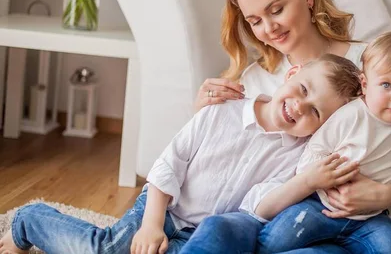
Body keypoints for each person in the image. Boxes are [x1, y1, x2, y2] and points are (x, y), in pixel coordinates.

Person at [0, 54, 362, 254]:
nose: (299, 107)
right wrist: (151, 226)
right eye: (301, 89)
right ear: (292, 73)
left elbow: (257, 209)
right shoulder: (222, 110)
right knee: (107, 250)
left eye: (316, 112)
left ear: (323, 128)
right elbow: (168, 165)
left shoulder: (298, 156)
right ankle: (29, 221)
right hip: (163, 208)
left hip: (199, 236)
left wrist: (305, 181)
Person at [193, 0, 391, 224]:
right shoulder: (255, 80)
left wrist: (384, 195)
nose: (269, 28)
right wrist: (201, 112)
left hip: (357, 220)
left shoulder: (369, 64)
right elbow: (221, 158)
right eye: (255, 21)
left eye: (276, 10)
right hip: (285, 220)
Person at [254, 31, 391, 253]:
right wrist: (326, 177)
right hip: (321, 205)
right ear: (364, 85)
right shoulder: (350, 116)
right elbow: (316, 151)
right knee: (276, 240)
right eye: (386, 85)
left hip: (369, 218)